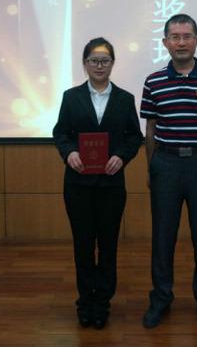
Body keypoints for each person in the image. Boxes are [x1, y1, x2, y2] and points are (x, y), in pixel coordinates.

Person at [140, 14, 197, 329]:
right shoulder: (153, 81)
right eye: (175, 37)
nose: (181, 42)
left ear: (196, 41)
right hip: (165, 164)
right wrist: (151, 168)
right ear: (165, 42)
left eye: (187, 36)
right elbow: (150, 129)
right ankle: (161, 298)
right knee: (162, 237)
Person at [53, 37, 143, 329]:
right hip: (78, 185)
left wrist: (121, 156)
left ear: (113, 63)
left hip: (111, 186)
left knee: (107, 245)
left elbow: (134, 136)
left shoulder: (125, 99)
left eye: (105, 60)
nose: (99, 66)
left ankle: (102, 302)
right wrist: (70, 153)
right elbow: (61, 133)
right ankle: (85, 302)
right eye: (94, 60)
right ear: (85, 63)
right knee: (82, 245)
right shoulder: (71, 97)